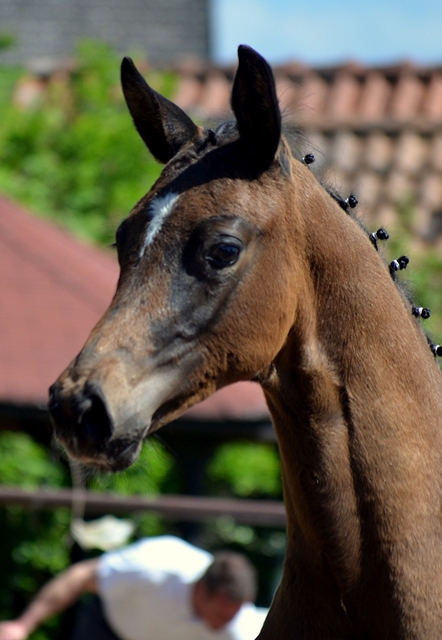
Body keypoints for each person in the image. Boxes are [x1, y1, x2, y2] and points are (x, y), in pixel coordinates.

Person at [0, 535, 268, 640]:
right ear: (201, 591)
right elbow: (81, 576)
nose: (225, 624)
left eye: (232, 616)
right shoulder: (152, 567)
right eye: (221, 615)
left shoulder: (237, 627)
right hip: (107, 627)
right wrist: (24, 625)